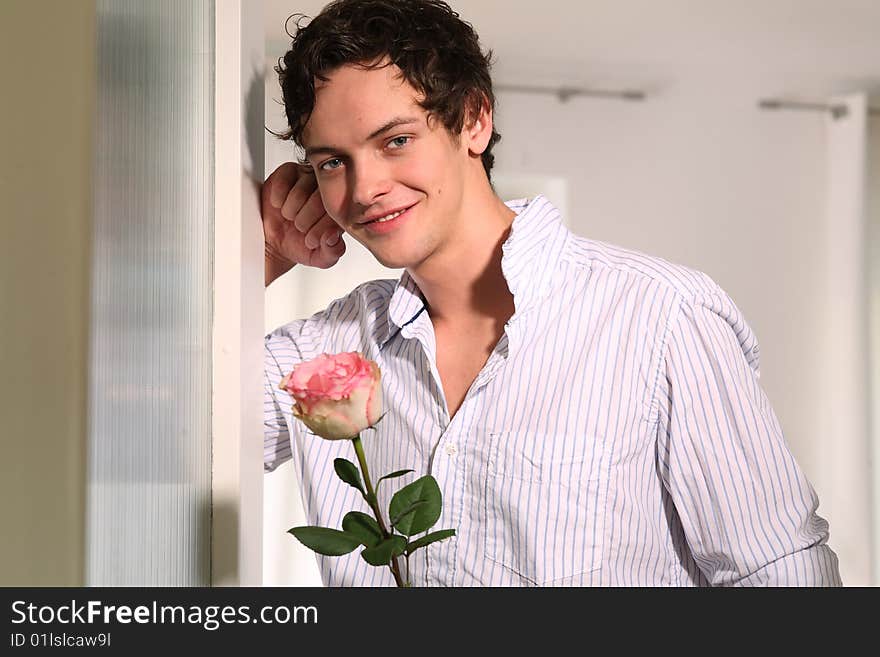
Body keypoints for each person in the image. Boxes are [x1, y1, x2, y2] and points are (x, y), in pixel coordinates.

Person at [261, 0, 841, 586]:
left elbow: (779, 574)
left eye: (396, 141)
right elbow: (176, 431)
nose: (366, 189)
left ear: (473, 119)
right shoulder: (329, 351)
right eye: (334, 161)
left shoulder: (663, 317)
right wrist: (263, 253)